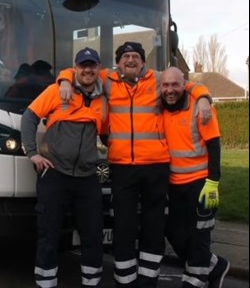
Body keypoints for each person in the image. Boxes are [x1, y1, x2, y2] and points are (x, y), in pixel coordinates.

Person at [57, 42, 212, 287]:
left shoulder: (158, 78)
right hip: (122, 168)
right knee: (124, 227)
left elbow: (184, 82)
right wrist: (64, 81)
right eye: (126, 56)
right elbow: (76, 71)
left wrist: (203, 97)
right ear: (118, 62)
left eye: (136, 56)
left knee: (153, 227)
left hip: (156, 167)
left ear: (142, 61)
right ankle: (125, 281)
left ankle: (148, 281)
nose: (131, 60)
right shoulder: (108, 79)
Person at [21, 48, 107, 287]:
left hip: (88, 177)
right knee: (49, 234)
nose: (87, 70)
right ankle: (46, 283)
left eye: (92, 65)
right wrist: (32, 153)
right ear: (75, 68)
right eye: (82, 66)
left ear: (99, 68)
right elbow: (29, 117)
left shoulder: (104, 99)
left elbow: (107, 134)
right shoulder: (56, 91)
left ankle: (91, 283)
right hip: (55, 174)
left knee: (92, 235)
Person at [160, 67, 230, 288]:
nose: (170, 90)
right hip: (174, 186)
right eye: (166, 85)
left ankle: (194, 283)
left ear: (184, 85)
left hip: (201, 184)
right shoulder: (160, 107)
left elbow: (214, 145)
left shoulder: (201, 109)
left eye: (175, 85)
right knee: (174, 234)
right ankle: (215, 265)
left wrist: (213, 182)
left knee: (199, 237)